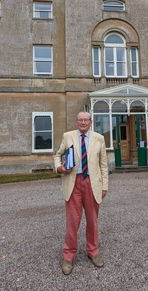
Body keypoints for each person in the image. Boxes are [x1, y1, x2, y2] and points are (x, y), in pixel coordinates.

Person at [54, 111, 109, 275]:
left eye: (86, 120)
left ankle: (93, 251)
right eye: (80, 120)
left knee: (92, 221)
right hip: (73, 182)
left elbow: (104, 165)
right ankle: (68, 256)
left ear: (91, 122)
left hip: (92, 184)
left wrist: (104, 185)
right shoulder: (68, 136)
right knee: (72, 222)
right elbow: (57, 155)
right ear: (76, 122)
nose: (83, 122)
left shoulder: (99, 138)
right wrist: (60, 167)